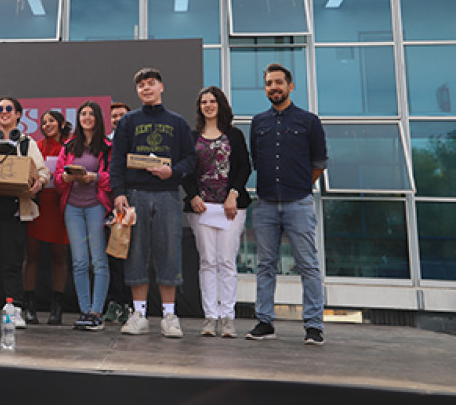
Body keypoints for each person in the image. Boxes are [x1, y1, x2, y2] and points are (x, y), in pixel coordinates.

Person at [109, 68, 196, 337]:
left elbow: (190, 160)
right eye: (141, 85)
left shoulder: (178, 122)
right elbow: (117, 160)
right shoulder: (128, 121)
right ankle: (139, 314)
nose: (146, 88)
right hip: (135, 195)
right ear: (137, 91)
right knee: (136, 253)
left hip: (168, 194)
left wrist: (173, 172)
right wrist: (119, 192)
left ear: (161, 87)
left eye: (151, 84)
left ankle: (170, 315)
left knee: (169, 252)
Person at [246, 63, 328, 346]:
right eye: (269, 83)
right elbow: (257, 161)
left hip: (299, 203)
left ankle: (314, 326)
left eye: (279, 82)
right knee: (265, 265)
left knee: (308, 265)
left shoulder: (309, 121)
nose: (274, 87)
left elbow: (319, 163)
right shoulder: (258, 123)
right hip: (266, 204)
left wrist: (303, 185)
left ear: (290, 86)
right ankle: (265, 322)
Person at [0, 96, 49, 328]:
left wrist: (39, 182)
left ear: (18, 115)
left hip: (15, 209)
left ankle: (13, 308)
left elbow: (43, 170)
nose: (3, 112)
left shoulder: (26, 143)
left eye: (8, 109)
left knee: (12, 261)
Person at [180, 87, 251, 339]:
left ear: (221, 104)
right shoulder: (192, 136)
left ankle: (228, 319)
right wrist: (193, 196)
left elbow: (244, 166)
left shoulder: (235, 135)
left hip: (230, 208)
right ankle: (210, 318)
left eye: (212, 101)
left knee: (227, 262)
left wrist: (233, 193)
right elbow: (185, 170)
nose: (208, 105)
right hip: (202, 209)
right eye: (203, 102)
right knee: (207, 262)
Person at [54, 101, 112, 331]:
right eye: (83, 114)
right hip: (73, 207)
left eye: (91, 114)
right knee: (79, 262)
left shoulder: (107, 146)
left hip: (96, 206)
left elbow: (112, 177)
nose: (86, 117)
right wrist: (65, 178)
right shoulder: (69, 146)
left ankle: (97, 312)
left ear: (98, 118)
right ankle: (84, 311)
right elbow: (58, 177)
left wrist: (95, 177)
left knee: (98, 260)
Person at [23, 109, 71, 325]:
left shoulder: (70, 147)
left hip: (59, 206)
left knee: (59, 257)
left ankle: (57, 306)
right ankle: (29, 306)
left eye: (51, 121)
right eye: (43, 122)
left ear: (61, 124)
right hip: (38, 204)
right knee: (31, 255)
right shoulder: (36, 147)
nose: (46, 125)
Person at [104, 101, 132, 324]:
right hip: (111, 205)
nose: (117, 119)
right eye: (114, 116)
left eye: (122, 115)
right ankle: (115, 302)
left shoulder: (137, 141)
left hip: (136, 203)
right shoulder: (105, 144)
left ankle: (132, 305)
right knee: (113, 256)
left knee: (133, 256)